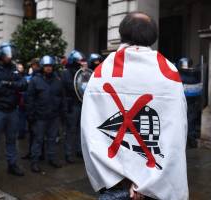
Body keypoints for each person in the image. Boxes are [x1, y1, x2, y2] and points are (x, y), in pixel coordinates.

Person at [81, 12, 188, 200]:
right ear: (153, 36)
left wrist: (117, 178)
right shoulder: (169, 72)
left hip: (114, 184)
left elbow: (90, 131)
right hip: (157, 186)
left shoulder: (102, 71)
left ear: (122, 33)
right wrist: (149, 183)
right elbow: (175, 135)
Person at [0, 42, 27, 184]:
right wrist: (12, 85)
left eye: (11, 55)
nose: (10, 57)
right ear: (1, 55)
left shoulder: (14, 68)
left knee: (11, 140)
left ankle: (12, 164)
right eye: (8, 55)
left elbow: (24, 84)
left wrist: (7, 83)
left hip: (12, 110)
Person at [26, 55, 65, 173]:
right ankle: (35, 162)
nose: (48, 68)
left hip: (53, 116)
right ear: (42, 67)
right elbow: (30, 98)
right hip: (40, 116)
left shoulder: (58, 80)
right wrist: (31, 114)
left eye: (50, 66)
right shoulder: (35, 80)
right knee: (38, 140)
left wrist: (62, 111)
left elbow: (61, 96)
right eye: (46, 66)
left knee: (52, 139)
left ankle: (52, 159)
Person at [61, 50, 86, 163]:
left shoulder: (81, 71)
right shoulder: (66, 73)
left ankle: (79, 150)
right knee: (71, 130)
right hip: (72, 104)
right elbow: (72, 87)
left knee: (80, 129)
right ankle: (67, 153)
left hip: (80, 103)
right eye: (78, 60)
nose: (80, 62)